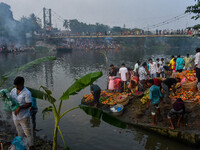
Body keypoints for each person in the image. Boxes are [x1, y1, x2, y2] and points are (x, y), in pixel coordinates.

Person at [10, 76, 34, 150]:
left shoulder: (27, 93)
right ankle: (21, 146)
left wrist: (19, 107)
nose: (16, 87)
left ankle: (31, 147)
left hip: (24, 117)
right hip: (15, 116)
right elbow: (10, 100)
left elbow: (29, 104)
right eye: (15, 85)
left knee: (28, 133)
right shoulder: (13, 91)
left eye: (18, 85)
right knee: (19, 132)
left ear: (22, 83)